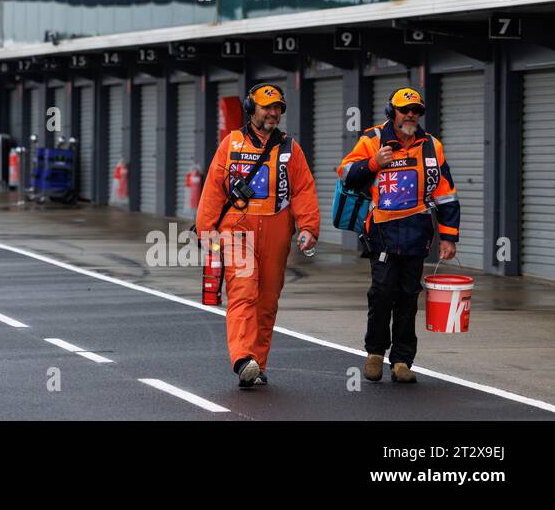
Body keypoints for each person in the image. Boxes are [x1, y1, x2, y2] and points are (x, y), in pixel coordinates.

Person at [196, 82, 319, 389]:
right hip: (237, 229)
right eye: (267, 107)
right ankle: (241, 357)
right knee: (243, 291)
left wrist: (308, 227)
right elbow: (213, 188)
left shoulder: (291, 148)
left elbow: (303, 189)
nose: (273, 113)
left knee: (267, 300)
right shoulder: (231, 143)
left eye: (277, 108)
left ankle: (256, 365)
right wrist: (206, 230)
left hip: (277, 229)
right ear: (252, 109)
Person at [339, 87, 460, 385]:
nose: (410, 115)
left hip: (417, 233)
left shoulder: (432, 146)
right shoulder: (371, 139)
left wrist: (449, 237)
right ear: (391, 111)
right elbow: (345, 174)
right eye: (405, 110)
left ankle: (403, 360)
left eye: (415, 110)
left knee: (408, 296)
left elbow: (446, 194)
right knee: (381, 292)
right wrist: (373, 163)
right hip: (381, 231)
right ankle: (375, 353)